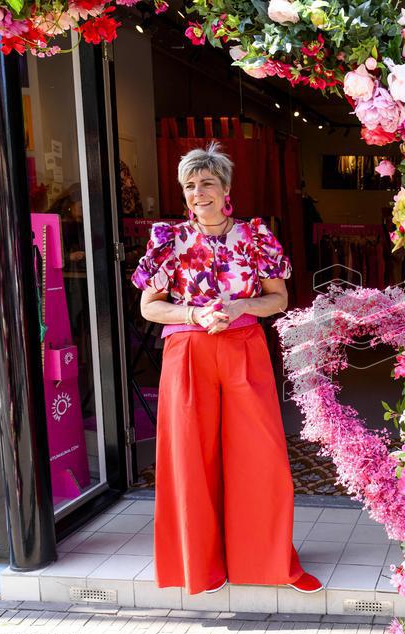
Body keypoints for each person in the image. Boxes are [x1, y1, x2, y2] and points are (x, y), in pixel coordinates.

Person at [132, 142, 322, 595]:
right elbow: (149, 307)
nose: (198, 193)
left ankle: (272, 562)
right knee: (191, 460)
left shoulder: (257, 237)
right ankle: (201, 565)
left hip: (244, 348)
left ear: (226, 188)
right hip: (188, 354)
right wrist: (194, 314)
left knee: (262, 456)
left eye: (207, 183)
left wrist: (240, 305)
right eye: (190, 185)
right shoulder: (169, 241)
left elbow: (278, 298)